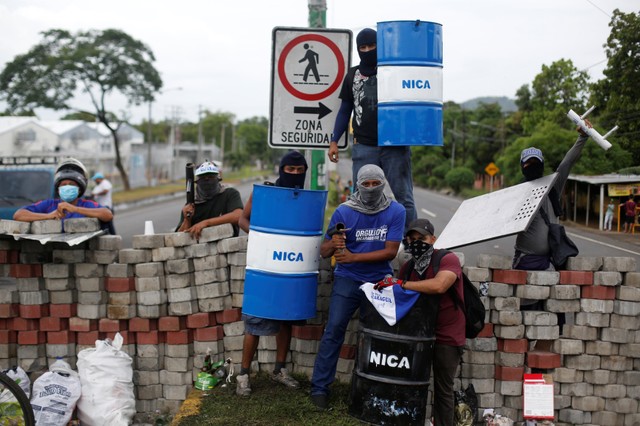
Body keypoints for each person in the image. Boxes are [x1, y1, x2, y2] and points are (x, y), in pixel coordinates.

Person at [310, 164, 406, 410]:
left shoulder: (396, 211)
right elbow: (323, 251)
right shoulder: (344, 211)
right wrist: (335, 243)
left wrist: (353, 257)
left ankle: (368, 390)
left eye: (376, 184)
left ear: (383, 184)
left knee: (375, 338)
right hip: (347, 279)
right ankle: (320, 390)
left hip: (378, 283)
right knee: (333, 332)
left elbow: (390, 252)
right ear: (357, 185)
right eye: (366, 184)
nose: (371, 189)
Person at [374, 218, 465, 426]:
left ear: (433, 239)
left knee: (443, 389)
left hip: (447, 334)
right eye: (411, 239)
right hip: (417, 334)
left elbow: (440, 285)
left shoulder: (446, 259)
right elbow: (400, 296)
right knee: (409, 381)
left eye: (422, 238)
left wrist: (402, 283)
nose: (416, 243)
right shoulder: (407, 267)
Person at [326, 27, 417, 227]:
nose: (368, 50)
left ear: (380, 46)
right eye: (363, 47)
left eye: (372, 45)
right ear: (358, 49)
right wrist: (334, 140)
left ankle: (412, 244)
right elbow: (345, 110)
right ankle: (362, 243)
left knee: (404, 197)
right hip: (364, 146)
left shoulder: (393, 72)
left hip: (395, 145)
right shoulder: (352, 75)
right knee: (360, 198)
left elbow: (412, 101)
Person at [235, 151, 308, 397]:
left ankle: (279, 370)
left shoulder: (306, 198)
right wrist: (261, 235)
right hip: (265, 267)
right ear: (281, 170)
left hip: (290, 269)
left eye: (300, 171)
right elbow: (243, 220)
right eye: (290, 170)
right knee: (255, 320)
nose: (295, 174)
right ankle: (243, 374)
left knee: (285, 319)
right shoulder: (265, 193)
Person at [513, 121, 592, 271]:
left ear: (542, 165)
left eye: (535, 163)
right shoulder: (518, 192)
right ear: (522, 167)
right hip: (526, 258)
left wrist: (582, 137)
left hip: (551, 257)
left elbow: (566, 164)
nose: (532, 166)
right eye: (528, 164)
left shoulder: (552, 187)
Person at [13, 158, 113, 230]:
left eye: (71, 184)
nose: (67, 187)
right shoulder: (49, 204)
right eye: (64, 185)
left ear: (79, 189)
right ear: (58, 189)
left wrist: (75, 209)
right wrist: (49, 216)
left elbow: (108, 215)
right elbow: (19, 215)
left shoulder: (86, 205)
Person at [176, 160, 243, 239]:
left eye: (211, 176)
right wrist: (187, 220)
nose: (207, 180)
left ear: (218, 178)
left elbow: (239, 216)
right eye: (203, 178)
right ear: (197, 181)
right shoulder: (191, 205)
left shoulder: (229, 194)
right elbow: (179, 238)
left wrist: (206, 223)